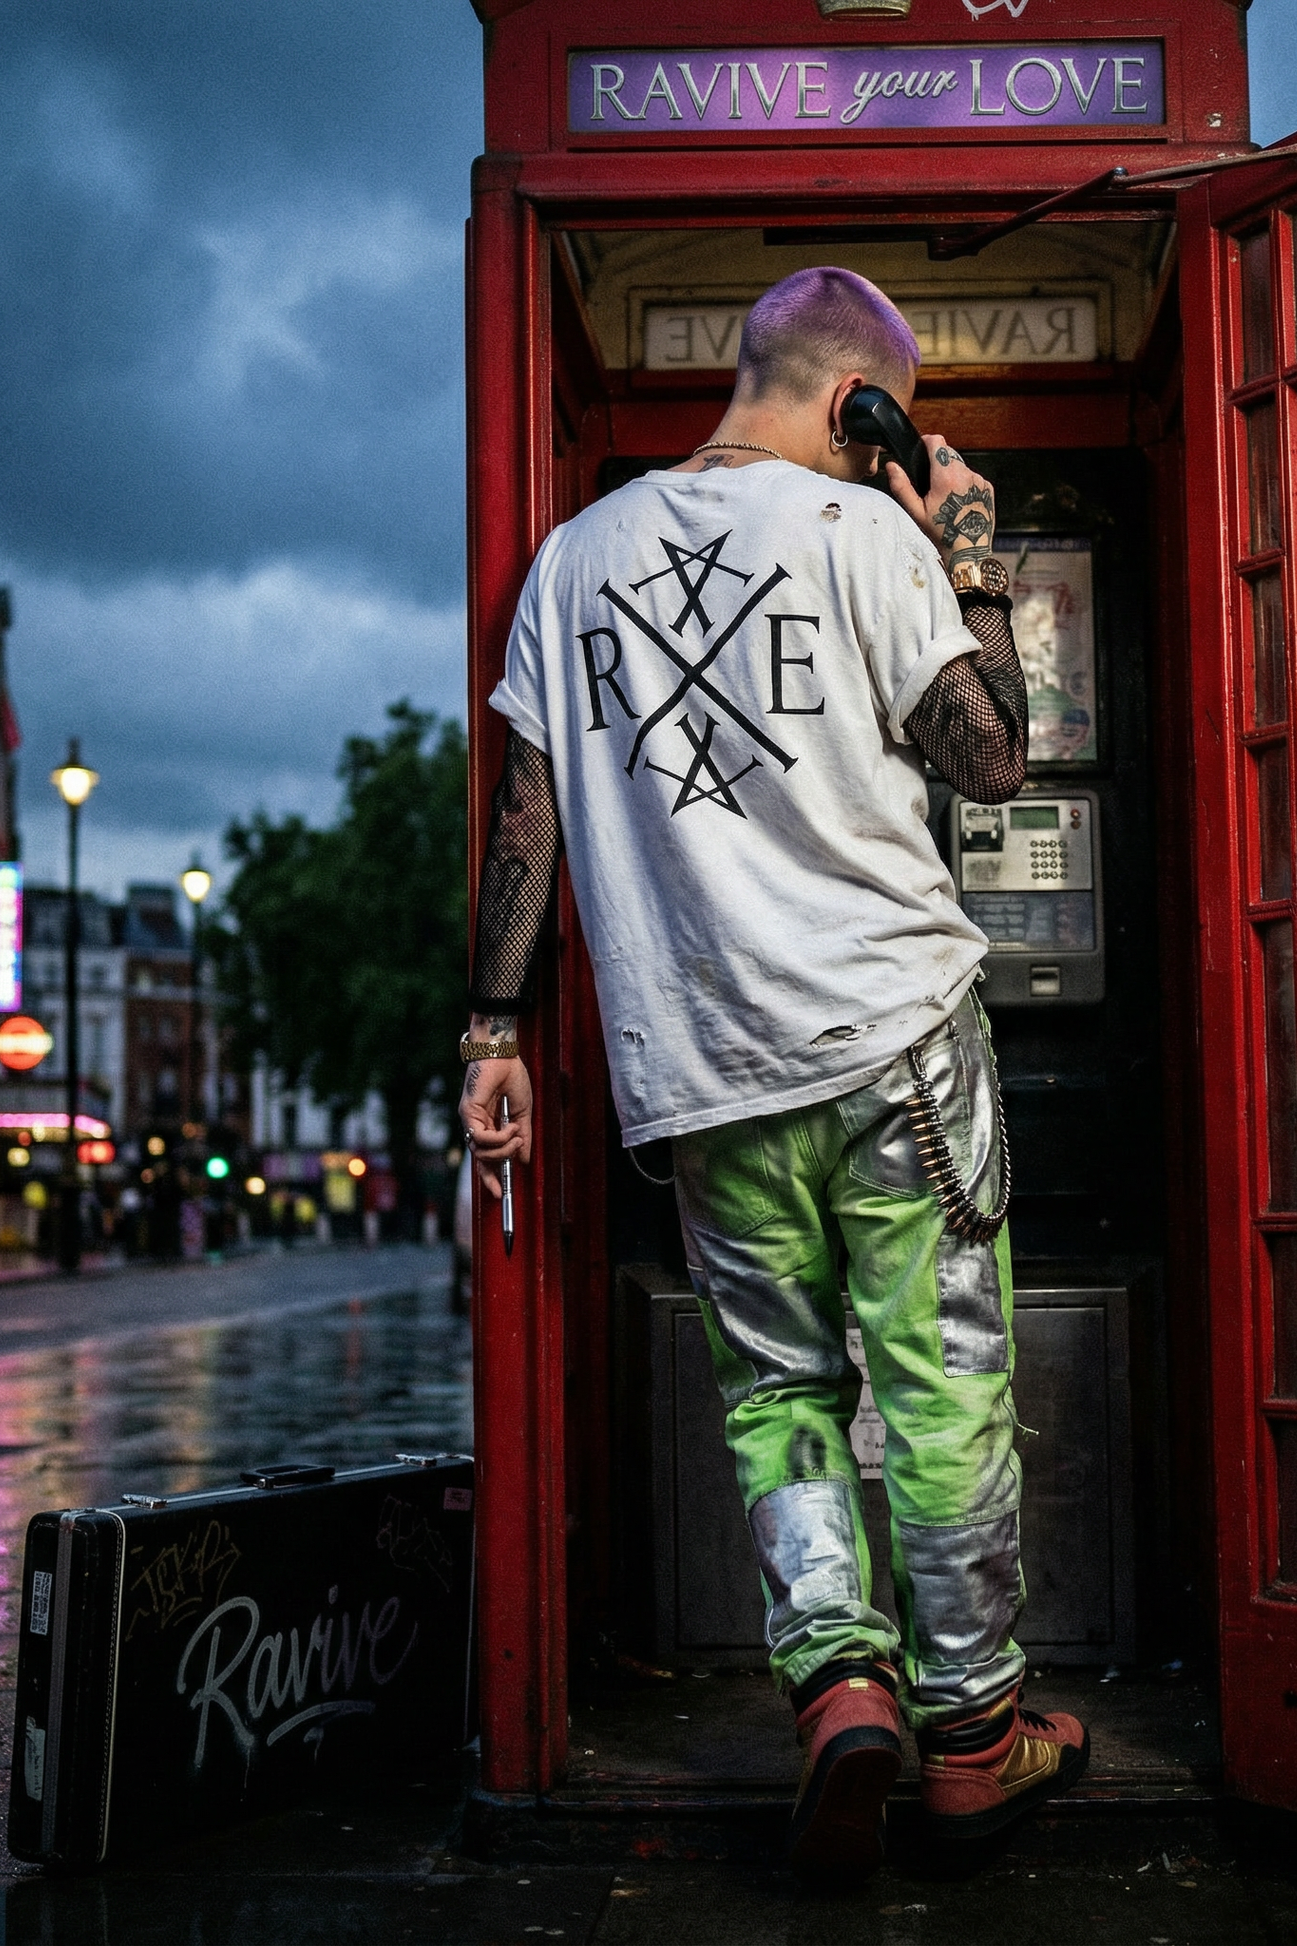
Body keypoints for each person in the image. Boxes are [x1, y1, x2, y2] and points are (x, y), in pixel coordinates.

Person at [456, 266, 1087, 1880]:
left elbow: (520, 825)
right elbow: (994, 757)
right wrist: (967, 554)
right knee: (941, 1386)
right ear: (854, 405)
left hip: (703, 1070)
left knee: (777, 1397)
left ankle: (836, 1681)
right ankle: (970, 1729)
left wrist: (492, 1034)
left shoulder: (566, 563)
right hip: (893, 1042)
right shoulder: (869, 536)